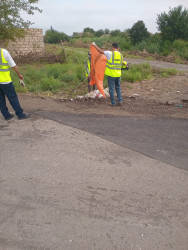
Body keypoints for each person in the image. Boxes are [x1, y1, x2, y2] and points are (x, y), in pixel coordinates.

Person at [92, 42, 126, 106]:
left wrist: (94, 45)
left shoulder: (110, 53)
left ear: (112, 47)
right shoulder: (121, 55)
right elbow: (122, 63)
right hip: (118, 74)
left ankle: (113, 103)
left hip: (111, 75)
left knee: (111, 89)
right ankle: (120, 100)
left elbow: (100, 51)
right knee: (118, 88)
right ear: (118, 48)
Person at [0, 48, 30, 120]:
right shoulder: (3, 52)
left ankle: (7, 116)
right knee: (13, 97)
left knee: (0, 99)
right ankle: (20, 114)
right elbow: (13, 65)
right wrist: (19, 74)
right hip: (5, 81)